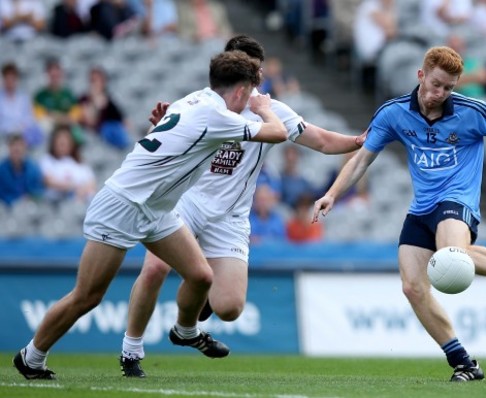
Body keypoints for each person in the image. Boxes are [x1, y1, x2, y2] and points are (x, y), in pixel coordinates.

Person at [312, 46, 486, 382]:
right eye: (436, 84)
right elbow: (362, 159)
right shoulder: (393, 113)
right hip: (421, 208)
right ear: (421, 75)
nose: (439, 93)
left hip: (458, 200)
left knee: (451, 257)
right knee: (413, 288)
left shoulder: (472, 111)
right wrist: (332, 194)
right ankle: (464, 362)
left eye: (448, 88)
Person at [12, 50, 288, 380]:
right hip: (124, 204)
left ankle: (185, 332)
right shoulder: (218, 115)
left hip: (157, 207)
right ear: (241, 92)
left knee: (201, 276)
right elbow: (278, 133)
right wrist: (266, 110)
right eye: (250, 94)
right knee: (87, 296)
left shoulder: (195, 100)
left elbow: (177, 136)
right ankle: (32, 356)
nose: (251, 101)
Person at [119, 35, 366, 377]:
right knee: (155, 269)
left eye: (253, 72)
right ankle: (131, 351)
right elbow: (161, 142)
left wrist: (358, 141)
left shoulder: (272, 111)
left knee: (230, 307)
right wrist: (155, 126)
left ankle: (183, 329)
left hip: (230, 217)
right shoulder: (201, 104)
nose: (249, 81)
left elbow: (321, 141)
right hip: (185, 202)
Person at [39, 124, 96, 204]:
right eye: (60, 142)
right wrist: (72, 187)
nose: (63, 145)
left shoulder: (79, 162)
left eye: (65, 142)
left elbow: (91, 182)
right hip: (56, 201)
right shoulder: (47, 160)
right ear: (54, 143)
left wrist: (81, 191)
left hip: (81, 199)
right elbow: (48, 181)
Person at [0, 134, 44, 206]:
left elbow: (39, 191)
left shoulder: (33, 169)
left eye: (20, 145)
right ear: (9, 147)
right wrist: (15, 201)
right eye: (14, 145)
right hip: (7, 208)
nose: (17, 148)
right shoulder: (1, 170)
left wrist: (30, 198)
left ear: (25, 148)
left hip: (29, 207)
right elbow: (2, 193)